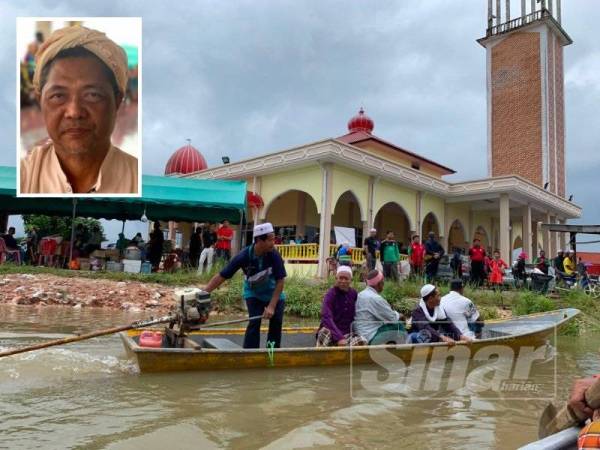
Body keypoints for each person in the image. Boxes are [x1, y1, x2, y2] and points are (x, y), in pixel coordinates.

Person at [21, 25, 138, 194]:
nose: (74, 112)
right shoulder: (25, 177)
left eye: (92, 95)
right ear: (41, 101)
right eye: (58, 96)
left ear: (117, 101)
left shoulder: (134, 179)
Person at [204, 222, 286, 349]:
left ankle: (272, 355)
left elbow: (280, 281)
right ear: (259, 240)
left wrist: (271, 306)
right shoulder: (243, 256)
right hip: (253, 293)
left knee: (276, 323)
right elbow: (222, 275)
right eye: (270, 240)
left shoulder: (274, 255)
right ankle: (250, 354)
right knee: (254, 323)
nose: (273, 243)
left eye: (273, 239)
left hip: (274, 294)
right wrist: (204, 293)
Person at [316, 266, 367, 347]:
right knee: (324, 332)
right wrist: (339, 337)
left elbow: (359, 315)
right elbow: (326, 317)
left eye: (346, 279)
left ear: (351, 280)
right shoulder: (331, 294)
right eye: (340, 278)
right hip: (331, 331)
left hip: (346, 333)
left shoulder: (353, 294)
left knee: (362, 341)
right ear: (336, 278)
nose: (343, 281)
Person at [354, 269, 405, 345]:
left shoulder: (361, 294)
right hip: (370, 336)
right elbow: (392, 318)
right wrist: (401, 315)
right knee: (399, 325)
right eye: (383, 281)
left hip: (361, 332)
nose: (384, 283)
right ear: (379, 284)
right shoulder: (376, 298)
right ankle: (403, 350)